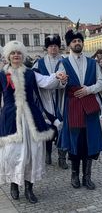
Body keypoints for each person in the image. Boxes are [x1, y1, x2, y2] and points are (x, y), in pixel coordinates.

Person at [0, 41, 67, 203]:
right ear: (8, 56)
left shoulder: (30, 73)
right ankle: (14, 184)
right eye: (13, 53)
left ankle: (29, 188)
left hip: (31, 118)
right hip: (11, 118)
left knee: (32, 153)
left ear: (23, 56)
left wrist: (58, 77)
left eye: (19, 53)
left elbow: (46, 81)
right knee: (12, 153)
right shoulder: (2, 75)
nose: (16, 55)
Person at [57, 29, 102, 190]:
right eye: (74, 41)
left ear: (82, 43)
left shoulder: (92, 63)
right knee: (75, 142)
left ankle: (87, 177)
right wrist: (62, 82)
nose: (77, 43)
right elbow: (59, 84)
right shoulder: (63, 63)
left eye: (79, 41)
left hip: (90, 107)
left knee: (89, 141)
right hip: (73, 106)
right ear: (69, 45)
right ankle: (74, 175)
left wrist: (89, 89)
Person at [32, 35, 68, 169]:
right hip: (44, 101)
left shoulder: (64, 62)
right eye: (51, 46)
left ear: (59, 47)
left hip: (61, 100)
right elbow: (35, 82)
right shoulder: (39, 63)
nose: (53, 48)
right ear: (46, 48)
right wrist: (54, 81)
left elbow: (65, 81)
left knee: (63, 128)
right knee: (48, 128)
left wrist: (61, 82)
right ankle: (47, 153)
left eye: (56, 46)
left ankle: (62, 157)